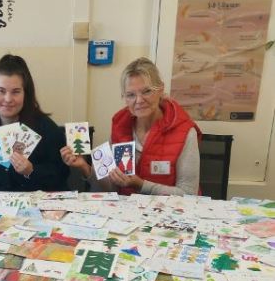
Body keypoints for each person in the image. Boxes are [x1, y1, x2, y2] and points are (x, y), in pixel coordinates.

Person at [60, 57, 201, 196]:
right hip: (126, 209)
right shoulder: (119, 126)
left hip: (169, 210)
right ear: (124, 97)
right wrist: (85, 167)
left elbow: (189, 194)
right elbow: (108, 189)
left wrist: (140, 185)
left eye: (147, 91)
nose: (139, 100)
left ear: (160, 89)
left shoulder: (186, 132)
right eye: (131, 95)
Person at [0, 54, 69, 192]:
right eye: (1, 91)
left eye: (16, 92)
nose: (8, 99)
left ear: (25, 94)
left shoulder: (47, 129)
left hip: (40, 201)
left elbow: (62, 175)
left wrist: (31, 171)